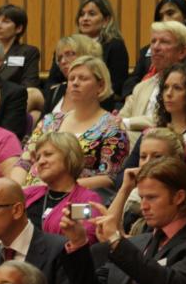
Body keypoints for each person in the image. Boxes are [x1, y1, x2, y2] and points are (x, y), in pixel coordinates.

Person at [15, 55, 128, 192]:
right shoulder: (50, 120)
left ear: (101, 85)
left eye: (83, 78)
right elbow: (24, 162)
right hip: (29, 194)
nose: (75, 83)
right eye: (71, 78)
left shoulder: (112, 127)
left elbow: (108, 178)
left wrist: (53, 189)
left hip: (72, 198)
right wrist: (16, 190)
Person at [120, 63, 186, 193]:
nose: (168, 93)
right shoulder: (151, 132)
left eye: (177, 88)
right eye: (165, 87)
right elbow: (123, 176)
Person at [21, 132, 103, 242]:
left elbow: (86, 239)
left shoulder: (85, 200)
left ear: (69, 157)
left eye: (48, 154)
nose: (40, 161)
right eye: (38, 157)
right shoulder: (28, 194)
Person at [120, 21, 186, 143]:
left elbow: (167, 120)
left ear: (182, 52)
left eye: (164, 42)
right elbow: (120, 118)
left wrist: (127, 123)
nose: (155, 47)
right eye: (153, 41)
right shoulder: (142, 86)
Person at [124, 0, 186, 94]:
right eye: (160, 17)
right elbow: (133, 79)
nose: (165, 19)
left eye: (170, 13)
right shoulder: (147, 50)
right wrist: (130, 96)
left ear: (185, 17)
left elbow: (185, 78)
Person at [46, 0, 131, 95]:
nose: (85, 18)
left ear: (106, 20)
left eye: (91, 14)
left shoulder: (115, 46)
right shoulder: (66, 46)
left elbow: (117, 85)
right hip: (63, 98)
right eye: (82, 14)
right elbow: (50, 83)